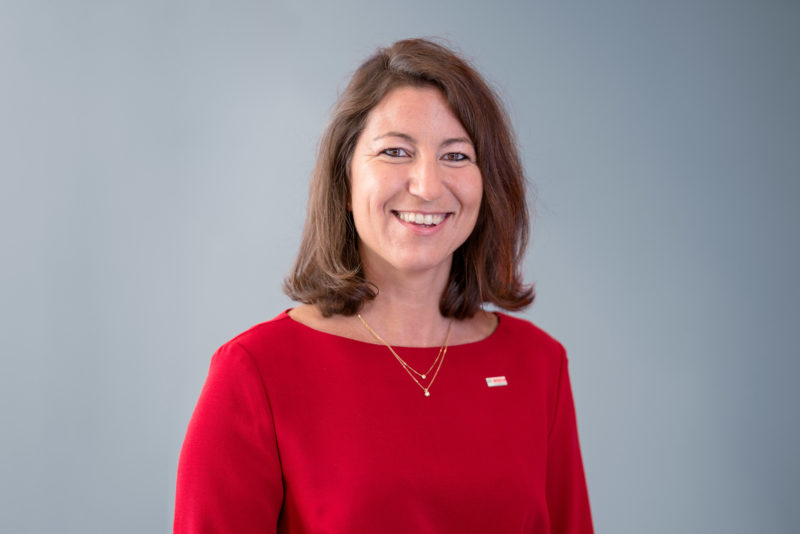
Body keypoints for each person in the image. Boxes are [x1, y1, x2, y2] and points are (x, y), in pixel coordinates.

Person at [174, 38, 593, 533]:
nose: (427, 185)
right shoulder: (254, 373)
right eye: (396, 151)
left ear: (488, 182)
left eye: (456, 156)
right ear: (344, 175)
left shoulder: (538, 365)